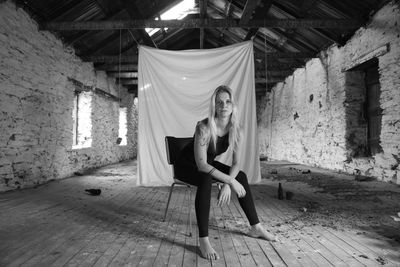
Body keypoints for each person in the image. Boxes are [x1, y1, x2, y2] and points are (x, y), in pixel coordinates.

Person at [175, 85, 277, 260]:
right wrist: (229, 181)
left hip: (207, 165)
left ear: (233, 105)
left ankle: (255, 227)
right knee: (206, 178)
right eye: (219, 102)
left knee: (241, 176)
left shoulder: (237, 129)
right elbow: (201, 165)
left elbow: (236, 163)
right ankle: (204, 240)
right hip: (186, 165)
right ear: (214, 105)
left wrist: (229, 181)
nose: (224, 106)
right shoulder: (204, 127)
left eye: (228, 101)